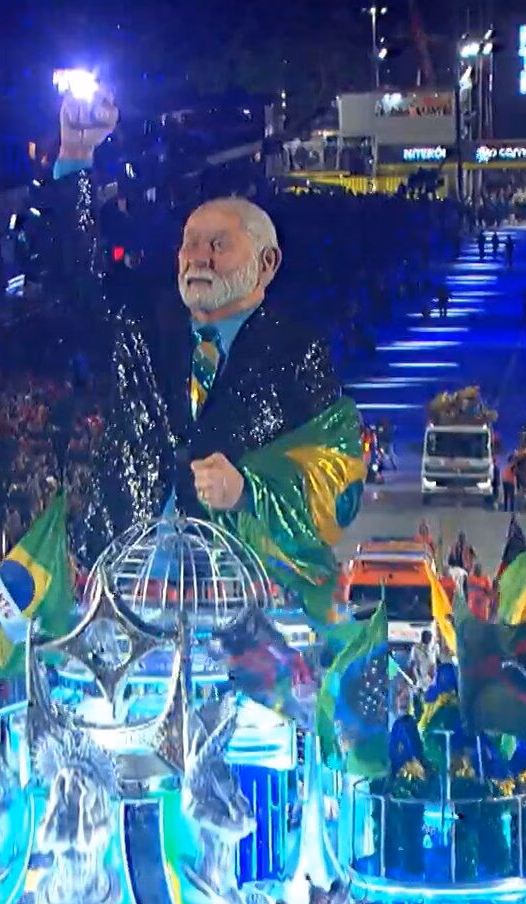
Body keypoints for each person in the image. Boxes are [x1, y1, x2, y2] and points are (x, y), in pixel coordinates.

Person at [49, 91, 365, 619]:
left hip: (242, 595)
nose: (198, 258)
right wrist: (77, 158)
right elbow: (75, 271)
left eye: (218, 245)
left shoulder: (296, 348)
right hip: (125, 577)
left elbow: (339, 477)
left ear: (267, 263)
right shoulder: (144, 325)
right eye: (189, 244)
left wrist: (248, 490)